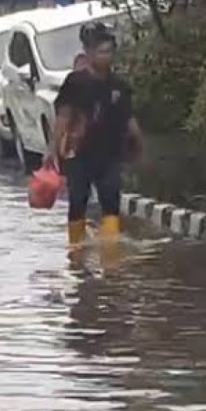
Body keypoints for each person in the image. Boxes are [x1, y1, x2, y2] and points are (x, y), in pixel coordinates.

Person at [45, 22, 144, 246]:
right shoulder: (76, 82)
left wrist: (137, 143)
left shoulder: (119, 86)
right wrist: (52, 150)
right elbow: (63, 116)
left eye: (109, 52)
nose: (106, 57)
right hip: (78, 153)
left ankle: (111, 257)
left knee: (111, 201)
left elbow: (128, 118)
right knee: (78, 201)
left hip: (109, 154)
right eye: (101, 52)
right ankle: (77, 254)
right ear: (89, 54)